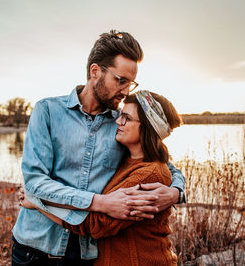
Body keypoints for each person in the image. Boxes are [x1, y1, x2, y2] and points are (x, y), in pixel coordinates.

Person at [11, 30, 186, 265]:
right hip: (34, 248)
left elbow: (161, 165)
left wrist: (176, 192)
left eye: (130, 84)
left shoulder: (120, 125)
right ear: (96, 71)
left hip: (84, 254)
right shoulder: (47, 111)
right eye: (120, 80)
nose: (125, 91)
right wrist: (100, 202)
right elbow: (34, 182)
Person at [20, 90, 181, 265]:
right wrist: (177, 192)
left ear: (148, 127)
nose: (118, 121)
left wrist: (37, 202)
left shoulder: (149, 174)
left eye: (126, 118)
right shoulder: (126, 159)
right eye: (120, 115)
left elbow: (93, 224)